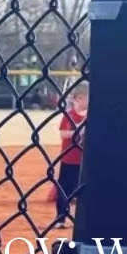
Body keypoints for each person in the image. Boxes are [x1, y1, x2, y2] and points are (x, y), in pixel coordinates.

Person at [50, 80, 87, 221]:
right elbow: (63, 134)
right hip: (69, 159)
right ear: (80, 98)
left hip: (85, 160)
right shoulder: (70, 115)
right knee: (64, 188)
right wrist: (79, 130)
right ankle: (61, 217)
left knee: (83, 190)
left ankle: (82, 219)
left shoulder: (90, 116)